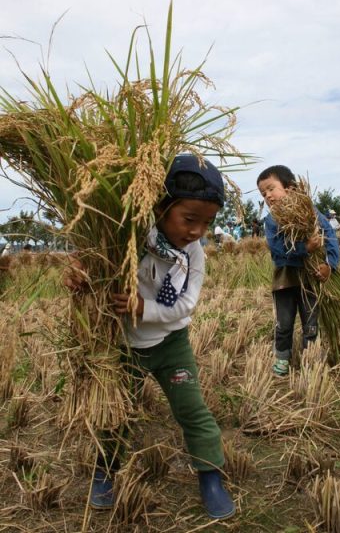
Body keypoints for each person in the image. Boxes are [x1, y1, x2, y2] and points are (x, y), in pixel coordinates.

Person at [64, 155, 235, 520]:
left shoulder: (194, 256)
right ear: (160, 206)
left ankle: (210, 475)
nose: (196, 231)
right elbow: (89, 264)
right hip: (123, 347)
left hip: (172, 344)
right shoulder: (124, 237)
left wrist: (145, 308)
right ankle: (105, 472)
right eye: (189, 219)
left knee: (191, 409)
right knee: (116, 415)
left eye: (207, 223)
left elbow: (186, 305)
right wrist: (78, 272)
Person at [257, 165, 340, 376]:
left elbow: (329, 236)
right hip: (285, 279)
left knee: (311, 321)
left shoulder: (311, 212)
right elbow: (277, 249)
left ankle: (310, 360)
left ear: (290, 188)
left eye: (271, 189)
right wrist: (305, 248)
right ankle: (282, 359)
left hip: (310, 277)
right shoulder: (271, 221)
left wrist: (329, 265)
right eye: (263, 193)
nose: (267, 196)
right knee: (283, 323)